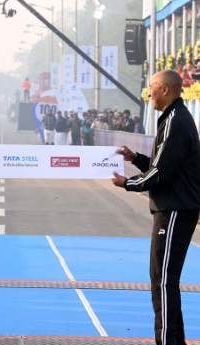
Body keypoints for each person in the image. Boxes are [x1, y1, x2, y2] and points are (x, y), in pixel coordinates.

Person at [112, 69, 200, 345]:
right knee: (166, 281)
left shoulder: (176, 121)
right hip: (174, 208)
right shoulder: (173, 119)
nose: (148, 92)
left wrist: (128, 183)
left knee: (162, 281)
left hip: (175, 209)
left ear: (166, 90)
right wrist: (136, 157)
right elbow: (162, 164)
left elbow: (160, 173)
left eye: (152, 86)